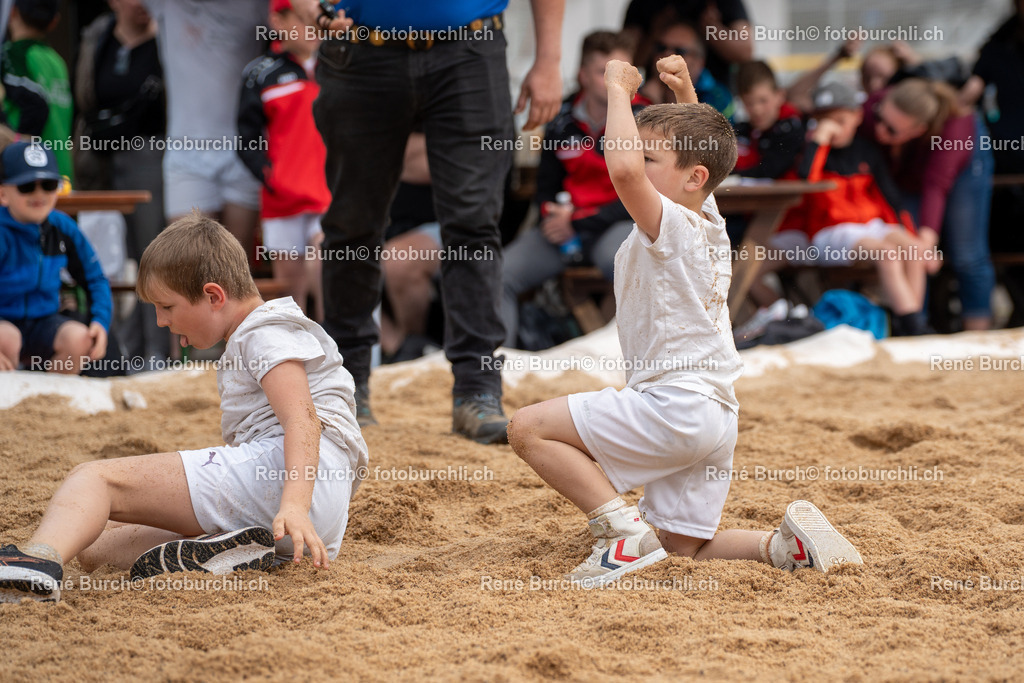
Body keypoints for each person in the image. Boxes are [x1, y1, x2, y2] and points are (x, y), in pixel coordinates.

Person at [507, 55, 862, 585]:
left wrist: (618, 90)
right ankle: (783, 548)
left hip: (673, 405)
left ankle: (620, 531)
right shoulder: (709, 218)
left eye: (651, 157)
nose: (637, 163)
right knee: (679, 546)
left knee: (528, 428)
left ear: (691, 179)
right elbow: (703, 152)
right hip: (715, 415)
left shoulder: (667, 224)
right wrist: (685, 92)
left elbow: (627, 169)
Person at [0, 212, 368, 603]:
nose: (160, 321)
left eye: (167, 307)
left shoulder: (265, 331)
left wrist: (294, 505)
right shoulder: (267, 330)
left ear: (213, 296)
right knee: (96, 548)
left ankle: (32, 564)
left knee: (93, 480)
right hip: (314, 514)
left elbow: (303, 419)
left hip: (290, 485)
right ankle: (235, 552)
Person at [291, 0, 564, 443]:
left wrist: (550, 59)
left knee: (474, 227)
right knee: (351, 225)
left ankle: (477, 390)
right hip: (362, 48)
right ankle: (347, 387)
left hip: (470, 49)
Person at [501, 30, 641, 349]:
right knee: (500, 274)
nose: (615, 81)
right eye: (606, 72)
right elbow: (545, 187)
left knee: (631, 264)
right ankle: (495, 377)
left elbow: (647, 193)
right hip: (566, 231)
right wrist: (553, 214)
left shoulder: (646, 118)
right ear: (583, 75)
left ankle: (630, 367)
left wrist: (578, 221)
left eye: (624, 73)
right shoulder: (560, 120)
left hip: (617, 224)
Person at [771, 82, 931, 336]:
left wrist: (914, 236)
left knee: (913, 249)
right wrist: (819, 141)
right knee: (888, 255)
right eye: (823, 120)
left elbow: (892, 199)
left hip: (869, 224)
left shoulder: (866, 150)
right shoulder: (811, 150)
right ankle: (913, 329)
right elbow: (806, 180)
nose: (832, 127)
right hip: (831, 230)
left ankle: (911, 321)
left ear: (857, 116)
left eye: (839, 120)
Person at [74, 0, 169, 368]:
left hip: (149, 154)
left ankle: (157, 350)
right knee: (107, 257)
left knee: (151, 255)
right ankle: (118, 350)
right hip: (99, 161)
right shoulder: (97, 37)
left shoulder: (164, 39)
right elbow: (85, 94)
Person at [860, 78, 995, 331]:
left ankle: (979, 337)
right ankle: (915, 328)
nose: (878, 130)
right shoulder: (874, 109)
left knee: (967, 253)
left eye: (891, 130)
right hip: (907, 170)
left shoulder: (955, 127)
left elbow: (936, 185)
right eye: (879, 118)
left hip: (962, 165)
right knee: (906, 247)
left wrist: (926, 242)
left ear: (918, 130)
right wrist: (917, 246)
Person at [142, 0, 265, 256]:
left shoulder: (256, 4)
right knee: (187, 262)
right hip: (186, 154)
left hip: (243, 152)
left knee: (237, 264)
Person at [238, 0, 329, 320]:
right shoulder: (260, 73)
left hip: (329, 196)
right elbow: (245, 139)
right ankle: (299, 363)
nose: (313, 26)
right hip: (282, 201)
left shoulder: (339, 64)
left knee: (325, 268)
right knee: (291, 300)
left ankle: (341, 356)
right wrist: (271, 178)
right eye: (303, 19)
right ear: (277, 19)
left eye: (315, 18)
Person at [0, 142, 110, 373]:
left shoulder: (62, 227)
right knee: (6, 338)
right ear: (3, 193)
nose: (39, 194)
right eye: (27, 186)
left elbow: (95, 278)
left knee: (80, 339)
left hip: (45, 322)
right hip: (3, 324)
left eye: (49, 185)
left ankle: (49, 403)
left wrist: (100, 320)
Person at [0, 0, 74, 179]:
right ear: (55, 21)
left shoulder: (11, 55)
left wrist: (17, 142)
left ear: (12, 12)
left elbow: (37, 106)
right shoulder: (57, 60)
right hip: (60, 169)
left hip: (27, 174)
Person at [637, 20, 733, 120]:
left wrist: (659, 106)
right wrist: (646, 102)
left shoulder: (718, 97)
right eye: (661, 48)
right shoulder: (639, 94)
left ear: (699, 61)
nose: (667, 55)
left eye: (679, 51)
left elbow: (707, 134)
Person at [732, 60, 804, 179]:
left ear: (780, 96)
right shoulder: (740, 131)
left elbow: (769, 171)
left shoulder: (793, 129)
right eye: (749, 103)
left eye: (763, 100)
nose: (757, 110)